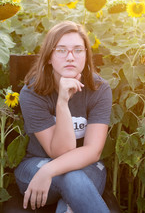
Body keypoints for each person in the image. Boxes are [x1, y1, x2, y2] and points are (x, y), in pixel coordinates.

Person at [14, 21, 112, 213]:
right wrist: (62, 102)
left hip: (86, 165)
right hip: (36, 166)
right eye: (61, 50)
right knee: (73, 178)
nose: (70, 57)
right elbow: (59, 152)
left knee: (74, 187)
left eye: (78, 50)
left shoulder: (99, 89)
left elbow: (93, 151)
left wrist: (49, 171)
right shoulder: (32, 93)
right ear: (49, 57)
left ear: (86, 55)